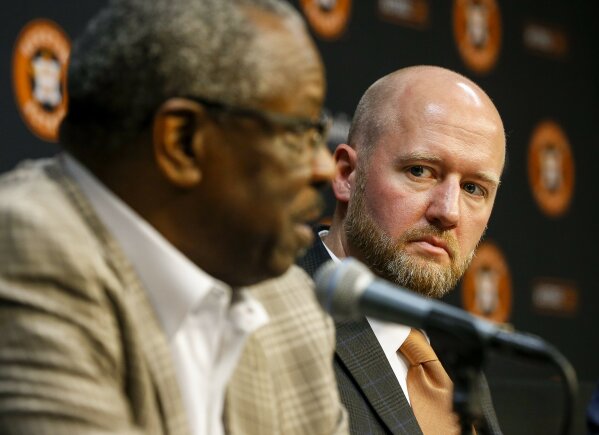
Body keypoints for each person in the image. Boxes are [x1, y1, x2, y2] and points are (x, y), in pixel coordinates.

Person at [0, 0, 347, 434]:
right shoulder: (26, 250)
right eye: (298, 134)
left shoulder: (291, 301)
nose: (323, 167)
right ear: (183, 141)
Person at [298, 65, 506, 434]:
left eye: (474, 188)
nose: (448, 211)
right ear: (347, 174)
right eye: (420, 171)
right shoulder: (277, 316)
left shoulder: (453, 354)